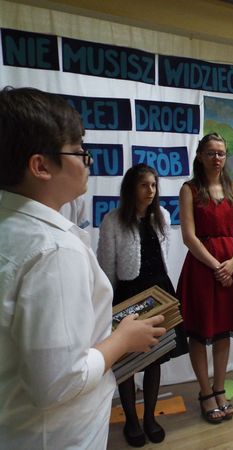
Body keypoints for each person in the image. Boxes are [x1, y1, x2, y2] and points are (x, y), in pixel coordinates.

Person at [0, 87, 165, 449]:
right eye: (78, 151)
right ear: (41, 166)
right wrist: (122, 340)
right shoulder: (54, 250)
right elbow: (58, 382)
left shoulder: (15, 227)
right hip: (58, 435)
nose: (87, 160)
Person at [97, 163, 187, 446]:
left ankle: (149, 417)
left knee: (154, 357)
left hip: (159, 292)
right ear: (130, 188)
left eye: (154, 185)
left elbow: (164, 255)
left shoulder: (162, 216)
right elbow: (106, 267)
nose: (151, 190)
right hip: (128, 295)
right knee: (127, 361)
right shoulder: (113, 221)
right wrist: (109, 305)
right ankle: (132, 421)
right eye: (144, 185)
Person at [177, 133, 233, 424]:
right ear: (200, 156)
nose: (216, 158)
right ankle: (205, 392)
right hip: (203, 268)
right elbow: (189, 236)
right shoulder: (189, 189)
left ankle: (220, 388)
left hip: (231, 266)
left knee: (224, 330)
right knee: (200, 333)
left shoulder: (232, 188)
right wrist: (217, 266)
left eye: (221, 153)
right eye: (211, 153)